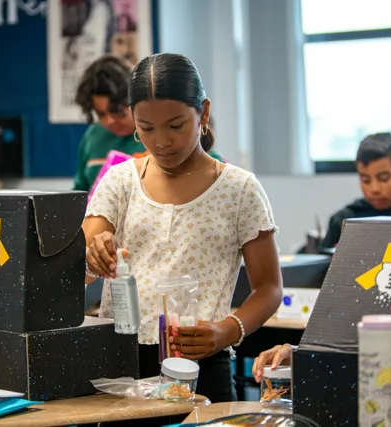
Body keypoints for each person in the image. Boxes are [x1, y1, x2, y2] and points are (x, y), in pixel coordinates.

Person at [83, 53, 283, 406]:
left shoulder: (239, 190)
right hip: (119, 365)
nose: (161, 141)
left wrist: (226, 331)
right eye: (146, 128)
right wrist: (93, 255)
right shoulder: (120, 181)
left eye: (176, 125)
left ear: (203, 112)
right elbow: (77, 264)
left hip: (203, 365)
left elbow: (268, 288)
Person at [72, 54, 223, 192]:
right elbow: (79, 193)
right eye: (101, 114)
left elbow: (211, 171)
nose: (110, 120)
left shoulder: (181, 140)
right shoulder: (93, 137)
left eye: (118, 111)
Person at [321, 133, 391, 249]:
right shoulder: (344, 221)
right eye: (366, 180)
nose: (374, 189)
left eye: (384, 179)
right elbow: (321, 264)